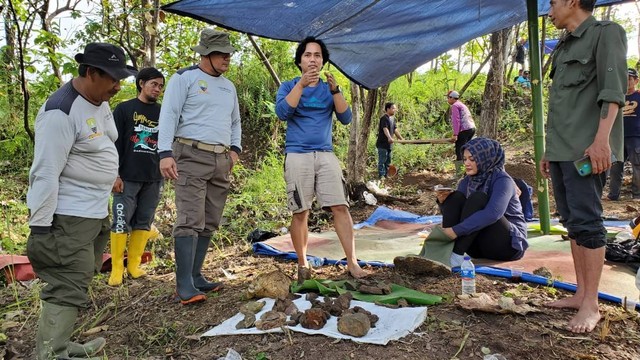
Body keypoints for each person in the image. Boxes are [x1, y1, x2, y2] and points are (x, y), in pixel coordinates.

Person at [26, 43, 136, 359]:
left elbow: (101, 141)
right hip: (66, 216)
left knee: (79, 277)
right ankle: (49, 354)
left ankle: (59, 344)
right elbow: (45, 173)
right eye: (113, 79)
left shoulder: (98, 100)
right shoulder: (60, 113)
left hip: (93, 210)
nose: (118, 86)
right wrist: (42, 229)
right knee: (67, 283)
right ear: (90, 73)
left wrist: (110, 174)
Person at [541, 0, 627, 333]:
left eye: (553, 2)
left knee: (589, 222)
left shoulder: (606, 34)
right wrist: (550, 150)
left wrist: (602, 141)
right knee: (573, 221)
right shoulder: (564, 45)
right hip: (563, 150)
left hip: (587, 151)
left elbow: (612, 93)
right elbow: (560, 104)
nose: (549, 11)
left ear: (573, 1)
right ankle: (580, 294)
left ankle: (592, 305)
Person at [158, 29, 241, 305]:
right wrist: (165, 153)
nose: (227, 58)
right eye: (222, 53)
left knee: (210, 219)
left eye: (229, 53)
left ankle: (196, 276)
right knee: (190, 218)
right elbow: (168, 114)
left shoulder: (228, 87)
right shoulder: (185, 78)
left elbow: (234, 122)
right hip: (190, 153)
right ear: (206, 53)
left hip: (221, 159)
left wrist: (235, 152)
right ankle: (183, 285)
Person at [275, 36, 367, 283]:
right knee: (300, 211)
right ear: (300, 61)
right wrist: (302, 86)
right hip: (297, 155)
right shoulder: (289, 86)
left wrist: (336, 89)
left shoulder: (330, 88)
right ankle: (303, 264)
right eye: (307, 55)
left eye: (317, 55)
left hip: (325, 154)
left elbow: (346, 118)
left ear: (323, 61)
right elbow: (283, 113)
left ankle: (352, 262)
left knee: (340, 206)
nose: (312, 59)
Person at [108, 67, 165, 286]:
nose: (157, 89)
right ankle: (116, 268)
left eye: (161, 86)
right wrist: (115, 174)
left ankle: (133, 265)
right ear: (141, 83)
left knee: (144, 221)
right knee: (121, 221)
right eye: (154, 84)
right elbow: (113, 144)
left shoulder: (163, 112)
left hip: (153, 176)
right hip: (127, 176)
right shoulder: (124, 109)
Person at [434, 137, 528, 267]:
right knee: (455, 198)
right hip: (477, 248)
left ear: (485, 158)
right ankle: (447, 252)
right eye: (465, 159)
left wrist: (455, 230)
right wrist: (443, 202)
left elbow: (493, 213)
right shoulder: (466, 181)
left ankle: (456, 254)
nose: (467, 163)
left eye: (472, 159)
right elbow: (458, 214)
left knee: (478, 199)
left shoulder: (503, 180)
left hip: (507, 247)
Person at [607, 68, 640, 201]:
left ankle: (637, 195)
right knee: (615, 167)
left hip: (636, 136)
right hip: (617, 137)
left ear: (636, 81)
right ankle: (613, 194)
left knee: (637, 165)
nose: (626, 82)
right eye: (624, 78)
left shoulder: (638, 96)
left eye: (629, 79)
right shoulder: (616, 97)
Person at [446, 90, 476, 175]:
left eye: (448, 98)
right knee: (466, 150)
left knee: (459, 150)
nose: (447, 100)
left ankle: (460, 173)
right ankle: (470, 170)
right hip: (471, 128)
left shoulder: (455, 106)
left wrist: (455, 134)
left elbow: (456, 121)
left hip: (464, 129)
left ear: (452, 98)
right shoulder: (462, 105)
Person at [376, 102, 403, 179]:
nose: (395, 110)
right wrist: (389, 137)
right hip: (382, 144)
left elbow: (395, 130)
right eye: (393, 108)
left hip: (389, 145)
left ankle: (386, 175)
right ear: (388, 109)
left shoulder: (392, 119)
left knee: (388, 161)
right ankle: (381, 176)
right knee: (382, 161)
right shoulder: (384, 118)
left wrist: (401, 139)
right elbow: (385, 129)